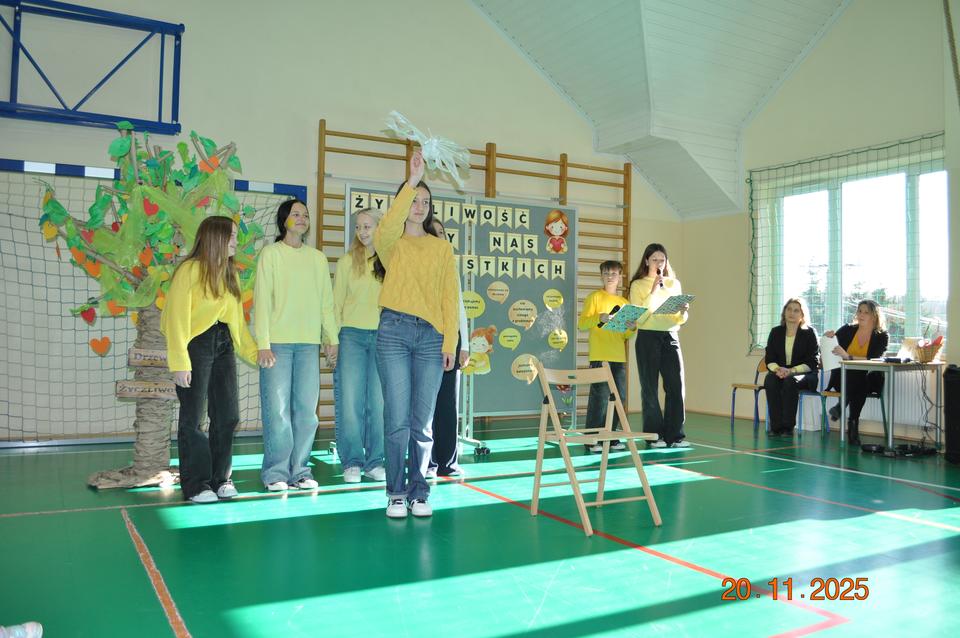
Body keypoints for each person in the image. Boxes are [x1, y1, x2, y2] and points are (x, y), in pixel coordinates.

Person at [375, 150, 459, 518]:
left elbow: (449, 298)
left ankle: (419, 492)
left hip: (430, 338)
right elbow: (387, 226)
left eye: (426, 201)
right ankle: (396, 492)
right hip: (393, 332)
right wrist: (411, 181)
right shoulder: (391, 243)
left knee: (422, 423)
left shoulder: (441, 248)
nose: (420, 206)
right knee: (397, 420)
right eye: (414, 200)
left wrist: (450, 341)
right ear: (404, 202)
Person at [162, 215, 258, 503]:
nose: (236, 241)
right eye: (231, 235)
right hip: (196, 345)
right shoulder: (189, 270)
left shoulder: (230, 274)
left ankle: (221, 479)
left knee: (228, 415)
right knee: (192, 418)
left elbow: (238, 324)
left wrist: (256, 353)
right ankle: (197, 485)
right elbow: (175, 319)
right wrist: (180, 362)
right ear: (215, 238)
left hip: (224, 344)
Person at [254, 199, 338, 492]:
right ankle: (275, 473)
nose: (302, 218)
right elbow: (262, 301)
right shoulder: (270, 254)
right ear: (284, 220)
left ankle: (300, 470)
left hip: (308, 345)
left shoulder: (318, 258)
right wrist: (263, 343)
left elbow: (326, 303)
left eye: (305, 214)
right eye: (295, 214)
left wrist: (332, 338)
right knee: (278, 412)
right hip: (276, 344)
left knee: (306, 412)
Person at [331, 207, 387, 484]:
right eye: (358, 227)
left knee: (378, 403)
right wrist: (332, 340)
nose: (362, 232)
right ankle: (352, 461)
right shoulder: (346, 262)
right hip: (351, 337)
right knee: (350, 401)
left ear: (380, 228)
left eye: (367, 226)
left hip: (383, 337)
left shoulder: (391, 261)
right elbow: (336, 304)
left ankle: (375, 461)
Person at [628, 243, 690, 448]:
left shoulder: (674, 284)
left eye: (662, 260)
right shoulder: (637, 285)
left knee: (676, 386)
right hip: (647, 337)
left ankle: (675, 435)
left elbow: (680, 319)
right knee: (649, 388)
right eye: (654, 259)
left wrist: (683, 311)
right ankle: (654, 435)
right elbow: (639, 317)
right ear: (646, 261)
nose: (658, 263)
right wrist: (653, 290)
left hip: (670, 335)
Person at [425, 219, 469, 479]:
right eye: (436, 232)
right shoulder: (422, 265)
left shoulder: (450, 265)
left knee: (448, 404)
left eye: (443, 232)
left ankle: (448, 462)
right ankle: (427, 462)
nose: (441, 236)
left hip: (452, 339)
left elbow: (458, 306)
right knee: (426, 405)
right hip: (427, 339)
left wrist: (465, 345)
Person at [578, 260, 636, 452]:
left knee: (618, 398)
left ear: (620, 276)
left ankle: (610, 437)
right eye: (606, 273)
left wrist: (631, 328)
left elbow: (626, 335)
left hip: (619, 357)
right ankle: (592, 439)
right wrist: (599, 318)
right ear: (601, 276)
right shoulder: (594, 297)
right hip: (600, 355)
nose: (610, 277)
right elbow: (582, 324)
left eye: (614, 273)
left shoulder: (624, 303)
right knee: (600, 397)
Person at [824, 300, 890, 444]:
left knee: (861, 376)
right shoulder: (847, 330)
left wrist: (848, 357)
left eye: (866, 312)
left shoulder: (882, 336)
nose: (861, 315)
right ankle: (853, 425)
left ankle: (841, 407)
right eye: (859, 311)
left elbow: (874, 358)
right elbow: (828, 347)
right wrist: (827, 337)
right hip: (843, 378)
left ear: (875, 316)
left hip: (869, 378)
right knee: (858, 378)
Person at [763, 298, 820, 437]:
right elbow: (769, 358)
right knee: (770, 380)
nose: (791, 313)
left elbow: (813, 361)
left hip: (804, 373)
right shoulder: (775, 332)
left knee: (790, 381)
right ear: (784, 312)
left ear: (802, 315)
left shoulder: (809, 333)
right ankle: (776, 426)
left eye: (796, 310)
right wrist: (778, 370)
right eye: (789, 309)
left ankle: (787, 427)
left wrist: (792, 371)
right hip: (780, 372)